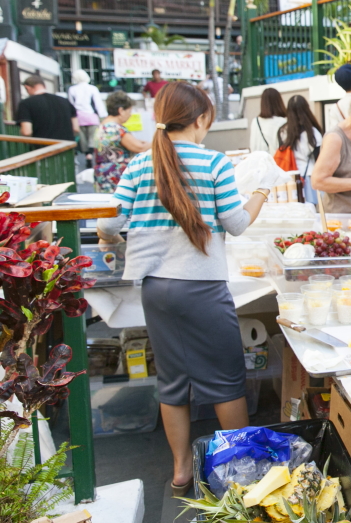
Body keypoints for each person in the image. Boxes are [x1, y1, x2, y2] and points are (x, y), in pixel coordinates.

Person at [95, 81, 282, 496]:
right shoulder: (213, 163)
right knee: (226, 382)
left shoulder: (140, 164)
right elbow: (235, 223)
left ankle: (181, 471)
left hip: (156, 289)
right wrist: (261, 192)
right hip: (201, 287)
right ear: (200, 119)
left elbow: (107, 224)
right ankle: (242, 468)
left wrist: (115, 241)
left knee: (173, 382)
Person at [94, 91, 151, 193]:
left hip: (103, 176)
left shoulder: (102, 126)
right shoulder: (115, 128)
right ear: (121, 110)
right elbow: (139, 147)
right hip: (116, 177)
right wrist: (159, 140)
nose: (130, 115)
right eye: (129, 111)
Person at [278, 95, 323, 204]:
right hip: (309, 177)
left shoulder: (282, 131)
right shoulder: (312, 132)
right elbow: (319, 160)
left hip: (289, 178)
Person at [18, 75, 78, 141]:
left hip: (43, 147)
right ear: (44, 86)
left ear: (27, 87)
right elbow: (76, 128)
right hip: (66, 147)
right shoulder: (65, 101)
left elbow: (26, 132)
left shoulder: (26, 103)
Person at [67, 69, 107, 160]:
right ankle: (91, 154)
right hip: (91, 116)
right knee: (93, 137)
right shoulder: (93, 89)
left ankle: (86, 154)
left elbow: (71, 104)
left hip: (78, 117)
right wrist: (103, 115)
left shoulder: (72, 89)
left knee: (82, 139)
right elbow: (98, 104)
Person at [249, 87, 287, 154]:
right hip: (277, 162)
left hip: (261, 162)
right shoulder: (283, 122)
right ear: (279, 102)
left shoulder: (255, 121)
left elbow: (253, 146)